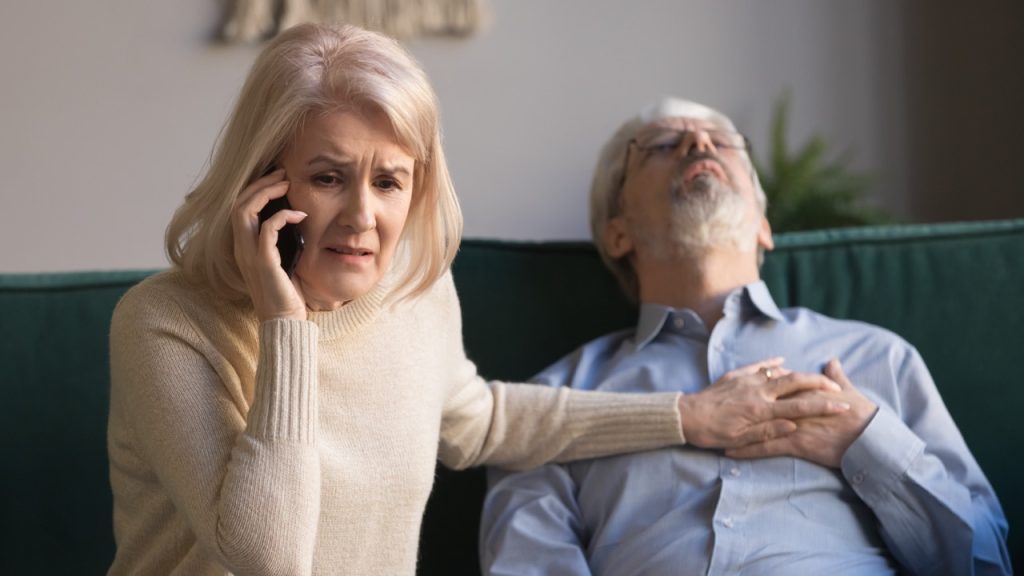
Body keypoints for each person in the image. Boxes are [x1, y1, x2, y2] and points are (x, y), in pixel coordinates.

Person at [105, 28, 845, 575]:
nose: (363, 217)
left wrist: (687, 416)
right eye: (328, 177)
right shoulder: (166, 324)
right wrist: (284, 324)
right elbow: (269, 557)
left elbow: (480, 422)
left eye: (389, 182)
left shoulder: (414, 289)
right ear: (264, 184)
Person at [479, 97, 1011, 575]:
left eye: (723, 142)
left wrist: (867, 443)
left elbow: (985, 562)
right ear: (617, 233)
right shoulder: (551, 405)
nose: (699, 143)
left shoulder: (877, 357)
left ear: (763, 225)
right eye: (662, 144)